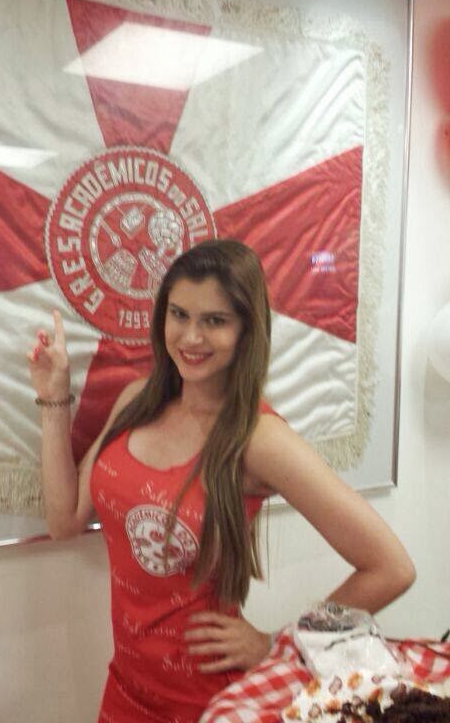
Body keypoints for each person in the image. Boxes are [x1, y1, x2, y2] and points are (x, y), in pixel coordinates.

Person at [27, 239, 415, 723]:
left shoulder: (259, 438)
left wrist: (281, 642)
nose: (191, 337)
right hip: (125, 690)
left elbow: (390, 567)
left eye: (215, 320)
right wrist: (54, 396)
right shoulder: (136, 402)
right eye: (180, 314)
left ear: (246, 329)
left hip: (210, 702)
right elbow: (65, 520)